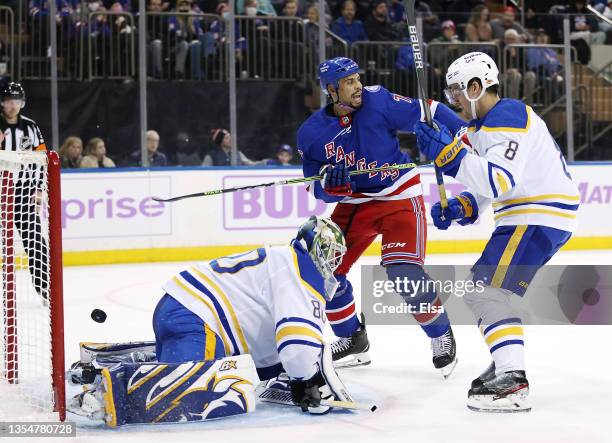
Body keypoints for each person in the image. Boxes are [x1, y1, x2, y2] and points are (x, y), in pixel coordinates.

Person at [66, 217, 355, 426]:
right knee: (188, 390)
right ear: (316, 249)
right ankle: (106, 391)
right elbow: (297, 343)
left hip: (183, 310)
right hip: (197, 318)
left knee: (196, 370)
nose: (333, 264)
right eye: (332, 255)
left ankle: (109, 364)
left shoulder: (284, 260)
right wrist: (307, 382)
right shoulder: (298, 273)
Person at [413, 52, 579, 412]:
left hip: (536, 215)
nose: (452, 99)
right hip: (532, 215)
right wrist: (462, 206)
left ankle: (513, 376)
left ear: (477, 87)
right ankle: (507, 364)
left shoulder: (508, 114)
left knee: (484, 292)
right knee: (483, 292)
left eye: (457, 91)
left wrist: (448, 156)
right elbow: (488, 185)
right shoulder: (482, 127)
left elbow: (499, 180)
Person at [297, 57, 462, 376]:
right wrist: (331, 186)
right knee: (322, 268)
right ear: (331, 90)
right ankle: (352, 338)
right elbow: (317, 189)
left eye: (358, 79)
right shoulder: (311, 133)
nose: (358, 86)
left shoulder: (378, 100)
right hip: (357, 200)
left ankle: (440, 334)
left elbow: (432, 111)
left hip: (399, 193)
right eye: (349, 82)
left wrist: (464, 135)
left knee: (403, 271)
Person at [0, 82, 50, 301]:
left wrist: (39, 189)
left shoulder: (30, 127)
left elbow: (42, 159)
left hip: (23, 192)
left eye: (16, 101)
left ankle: (44, 287)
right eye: (9, 100)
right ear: (2, 102)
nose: (12, 105)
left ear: (22, 103)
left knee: (35, 241)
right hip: (1, 190)